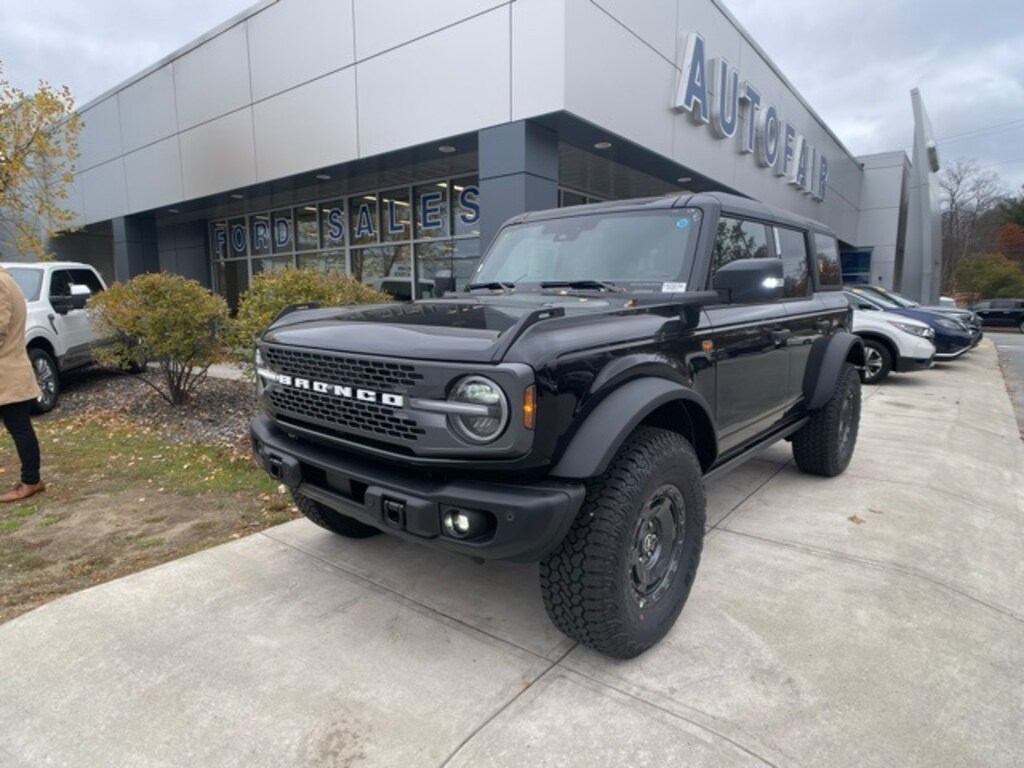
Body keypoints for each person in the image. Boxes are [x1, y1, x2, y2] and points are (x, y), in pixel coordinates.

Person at [0, 265, 45, 503]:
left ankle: (31, 481)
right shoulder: (8, 280)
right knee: (20, 427)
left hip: (6, 374)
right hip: (11, 371)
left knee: (19, 428)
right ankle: (31, 480)